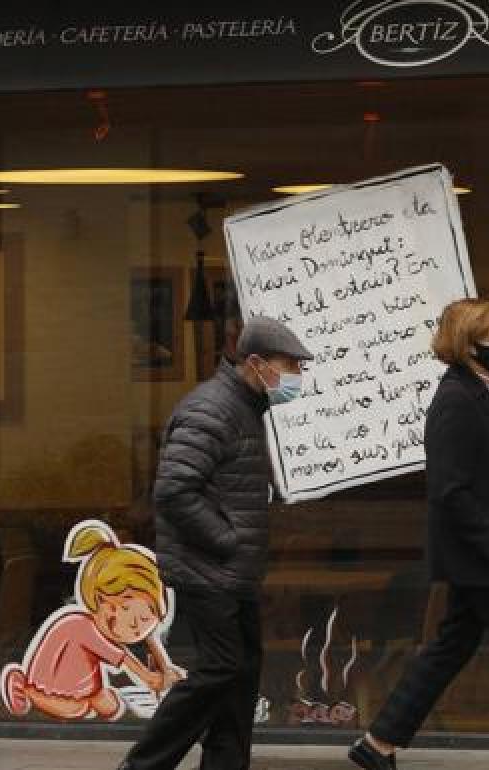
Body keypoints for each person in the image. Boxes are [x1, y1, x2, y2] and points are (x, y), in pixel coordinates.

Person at [349, 298, 489, 770]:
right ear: (468, 346)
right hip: (481, 555)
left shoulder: (485, 389)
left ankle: (378, 743)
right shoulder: (455, 401)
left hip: (486, 551)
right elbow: (448, 487)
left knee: (452, 645)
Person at [119, 315, 312, 770]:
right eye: (290, 365)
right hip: (208, 568)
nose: (297, 376)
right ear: (256, 362)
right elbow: (173, 490)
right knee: (221, 668)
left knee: (241, 672)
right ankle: (143, 764)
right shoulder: (212, 409)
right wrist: (226, 539)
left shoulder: (244, 406)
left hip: (231, 570)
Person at [2, 520, 181, 721]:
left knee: (108, 704)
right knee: (96, 707)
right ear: (102, 601)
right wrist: (153, 679)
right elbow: (128, 662)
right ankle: (28, 692)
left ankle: (35, 693)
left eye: (145, 618)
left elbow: (148, 635)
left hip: (80, 691)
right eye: (125, 611)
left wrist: (165, 667)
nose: (136, 627)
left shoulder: (97, 622)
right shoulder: (84, 628)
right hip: (61, 693)